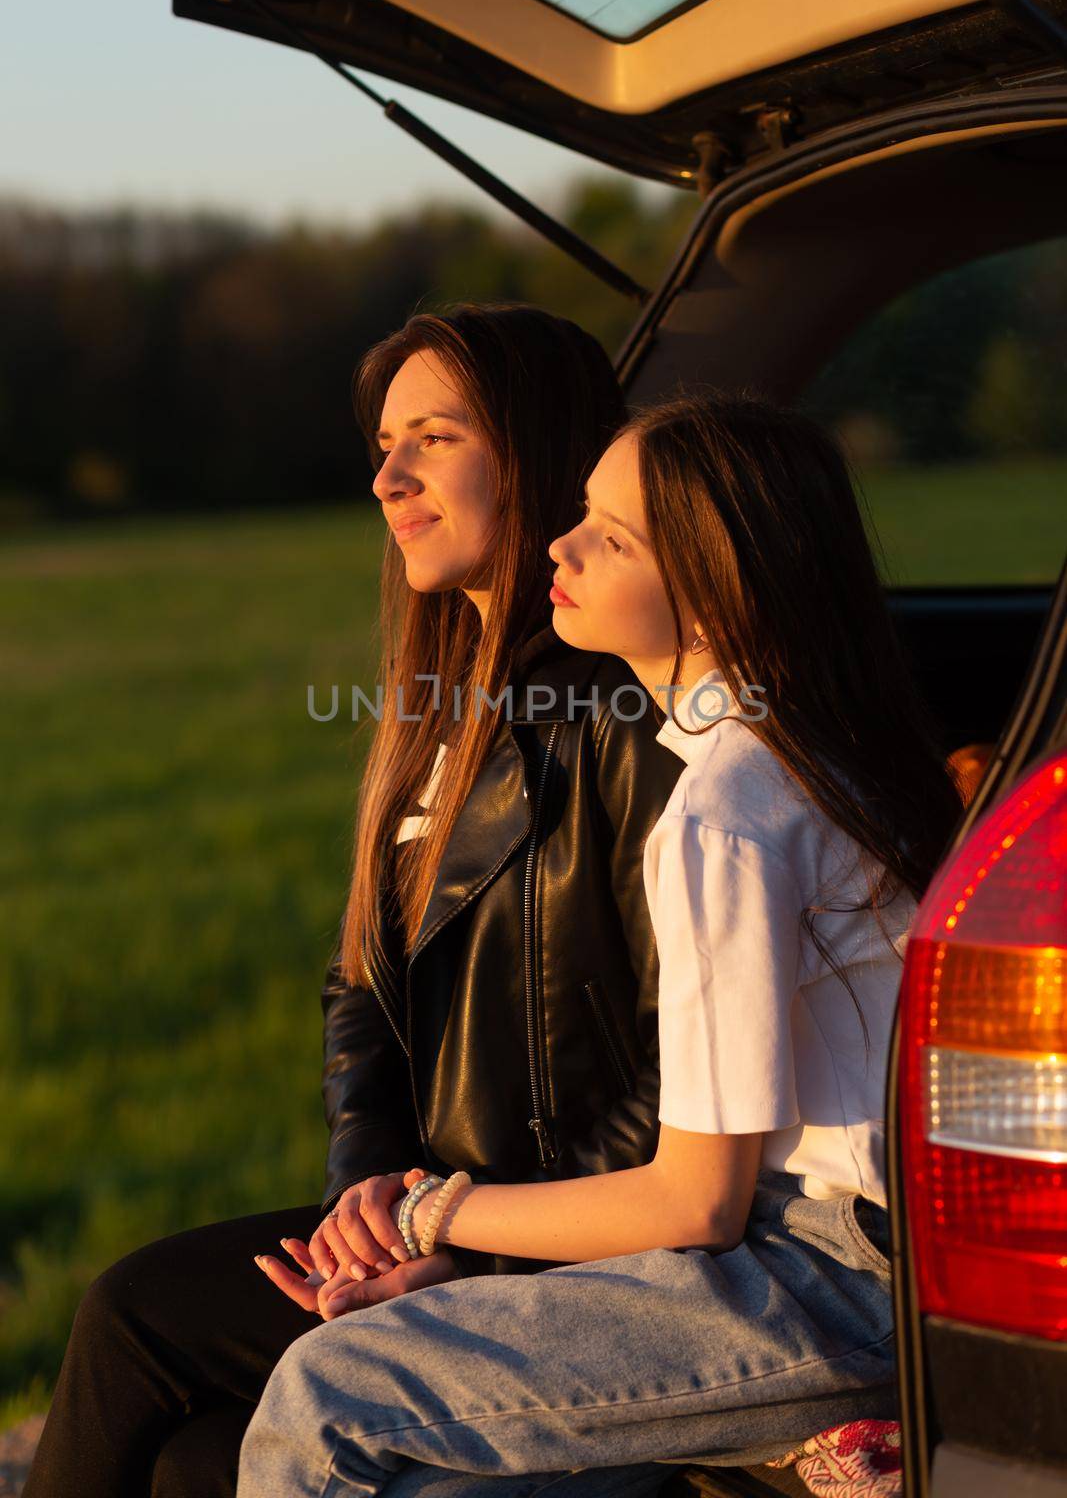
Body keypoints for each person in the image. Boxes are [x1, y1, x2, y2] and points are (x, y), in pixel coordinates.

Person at [235, 389, 965, 1498]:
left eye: (608, 537)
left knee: (323, 1390)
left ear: (715, 598)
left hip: (836, 1274)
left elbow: (694, 1204)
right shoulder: (814, 750)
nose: (559, 547)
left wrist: (433, 1209)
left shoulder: (726, 810)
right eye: (580, 512)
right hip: (846, 1246)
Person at [22, 305, 685, 1498]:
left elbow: (676, 1070)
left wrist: (460, 1241)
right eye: (384, 443)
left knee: (139, 1327)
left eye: (432, 436)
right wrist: (363, 1201)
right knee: (186, 1456)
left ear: (534, 450)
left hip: (555, 1241)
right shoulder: (438, 705)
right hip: (427, 1214)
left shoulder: (620, 715)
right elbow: (362, 985)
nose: (387, 476)